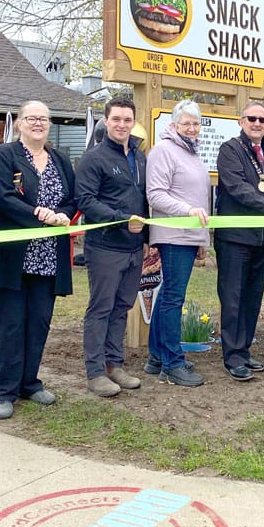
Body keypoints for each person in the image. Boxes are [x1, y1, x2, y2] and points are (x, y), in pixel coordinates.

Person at [0, 101, 77, 419]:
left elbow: (72, 199)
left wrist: (63, 214)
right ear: (19, 123)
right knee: (12, 324)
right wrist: (37, 213)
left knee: (39, 322)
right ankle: (4, 391)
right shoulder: (6, 155)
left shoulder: (60, 159)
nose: (38, 123)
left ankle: (29, 384)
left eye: (44, 119)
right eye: (31, 118)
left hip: (48, 257)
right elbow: (0, 195)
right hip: (12, 257)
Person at [75, 95, 148, 397]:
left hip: (134, 247)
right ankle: (95, 372)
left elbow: (144, 200)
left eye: (127, 120)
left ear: (133, 122)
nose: (121, 124)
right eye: (116, 119)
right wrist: (121, 220)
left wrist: (147, 239)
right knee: (101, 308)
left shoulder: (140, 158)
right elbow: (85, 200)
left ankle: (113, 364)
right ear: (106, 121)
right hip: (105, 247)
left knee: (122, 308)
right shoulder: (94, 158)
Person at [215, 100, 264, 380]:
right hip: (235, 238)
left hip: (262, 239)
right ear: (241, 121)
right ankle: (233, 356)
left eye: (262, 120)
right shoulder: (230, 150)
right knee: (233, 298)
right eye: (252, 118)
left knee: (252, 298)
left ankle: (244, 349)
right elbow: (238, 188)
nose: (257, 123)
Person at [145, 99, 210, 387]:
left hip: (189, 235)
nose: (192, 128)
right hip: (173, 234)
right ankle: (173, 363)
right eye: (186, 123)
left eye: (196, 123)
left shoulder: (191, 153)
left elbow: (199, 200)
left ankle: (158, 357)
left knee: (167, 296)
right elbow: (155, 194)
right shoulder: (163, 151)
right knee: (173, 298)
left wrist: (202, 237)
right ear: (173, 125)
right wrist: (187, 212)